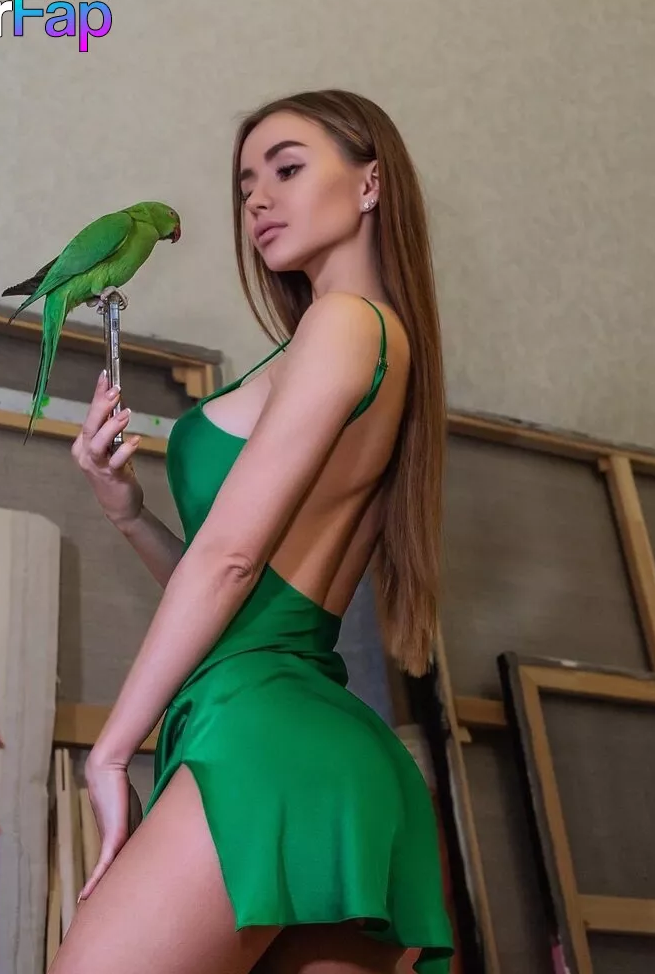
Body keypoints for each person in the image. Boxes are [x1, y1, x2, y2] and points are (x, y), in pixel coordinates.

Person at [53, 88, 455, 974]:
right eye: (244, 187)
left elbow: (231, 562)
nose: (258, 201)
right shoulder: (365, 342)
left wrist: (111, 751)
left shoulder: (345, 324)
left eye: (288, 169)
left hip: (264, 734)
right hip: (319, 744)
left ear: (370, 184)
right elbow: (246, 593)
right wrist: (129, 513)